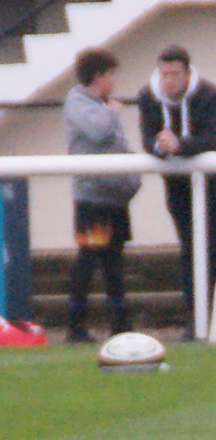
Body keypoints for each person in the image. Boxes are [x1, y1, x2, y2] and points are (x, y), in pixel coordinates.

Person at [137, 45, 216, 338]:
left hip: (212, 179)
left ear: (187, 74)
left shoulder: (210, 94)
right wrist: (161, 146)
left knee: (213, 243)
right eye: (164, 74)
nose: (169, 80)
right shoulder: (147, 96)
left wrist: (180, 144)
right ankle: (194, 315)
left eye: (175, 74)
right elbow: (147, 138)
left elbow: (210, 136)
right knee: (189, 245)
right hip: (176, 181)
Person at [63, 47, 140, 343]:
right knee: (88, 258)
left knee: (113, 262)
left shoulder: (101, 104)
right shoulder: (78, 102)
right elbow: (98, 131)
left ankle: (120, 323)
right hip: (93, 199)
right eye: (110, 74)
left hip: (114, 198)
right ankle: (75, 325)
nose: (113, 81)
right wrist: (111, 112)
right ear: (98, 76)